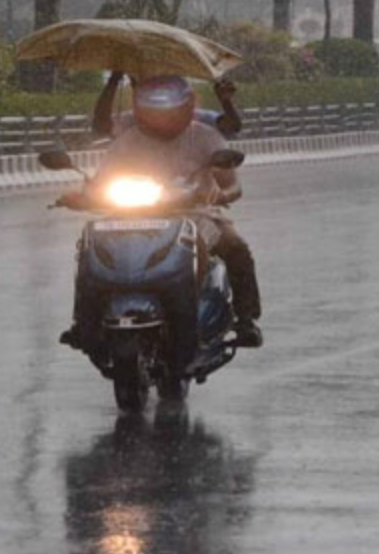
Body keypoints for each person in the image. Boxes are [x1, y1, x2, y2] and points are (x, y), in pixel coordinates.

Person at [63, 75, 263, 349]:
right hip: (131, 214)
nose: (162, 119)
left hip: (196, 212)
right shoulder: (127, 139)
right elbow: (102, 179)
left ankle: (246, 319)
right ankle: (83, 322)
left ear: (187, 107)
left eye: (169, 111)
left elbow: (233, 186)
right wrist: (83, 196)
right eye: (154, 111)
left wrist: (220, 194)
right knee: (89, 247)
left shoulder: (206, 136)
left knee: (236, 247)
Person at [92, 71, 243, 139]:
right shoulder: (134, 121)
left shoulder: (196, 118)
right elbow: (101, 127)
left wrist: (226, 101)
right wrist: (113, 81)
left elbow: (232, 126)